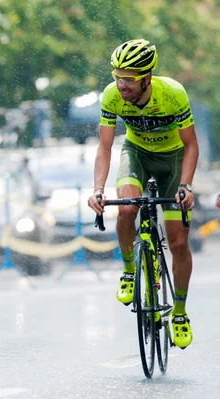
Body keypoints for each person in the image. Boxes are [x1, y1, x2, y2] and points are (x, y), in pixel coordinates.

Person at [87, 39, 199, 349]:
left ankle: (178, 312)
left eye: (129, 78)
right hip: (136, 153)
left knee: (178, 241)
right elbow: (105, 146)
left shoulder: (173, 94)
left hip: (172, 159)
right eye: (118, 76)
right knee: (125, 209)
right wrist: (98, 189)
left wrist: (185, 186)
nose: (122, 84)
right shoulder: (112, 96)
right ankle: (128, 270)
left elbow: (191, 145)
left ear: (147, 77)